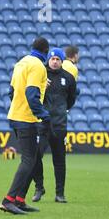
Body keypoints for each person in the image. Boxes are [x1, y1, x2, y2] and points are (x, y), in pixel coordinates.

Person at [0, 37, 50, 215]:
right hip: (26, 119)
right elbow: (32, 92)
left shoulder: (21, 63)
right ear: (46, 51)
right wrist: (42, 114)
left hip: (15, 115)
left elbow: (11, 92)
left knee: (33, 157)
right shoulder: (37, 66)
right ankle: (8, 200)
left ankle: (20, 200)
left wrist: (20, 108)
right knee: (28, 160)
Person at [30, 48, 77, 203]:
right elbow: (33, 95)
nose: (55, 61)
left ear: (62, 61)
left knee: (59, 160)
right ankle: (39, 188)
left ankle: (60, 194)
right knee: (36, 155)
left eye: (58, 59)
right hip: (42, 124)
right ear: (48, 60)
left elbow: (71, 99)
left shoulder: (69, 78)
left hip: (59, 125)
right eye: (52, 59)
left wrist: (62, 111)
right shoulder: (41, 75)